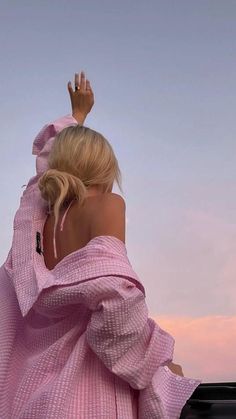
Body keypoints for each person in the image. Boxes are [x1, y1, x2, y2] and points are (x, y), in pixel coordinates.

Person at [0, 70, 202, 418]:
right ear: (105, 168)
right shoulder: (106, 205)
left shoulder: (33, 223)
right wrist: (154, 368)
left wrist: (76, 116)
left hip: (31, 396)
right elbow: (117, 300)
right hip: (87, 395)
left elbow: (43, 168)